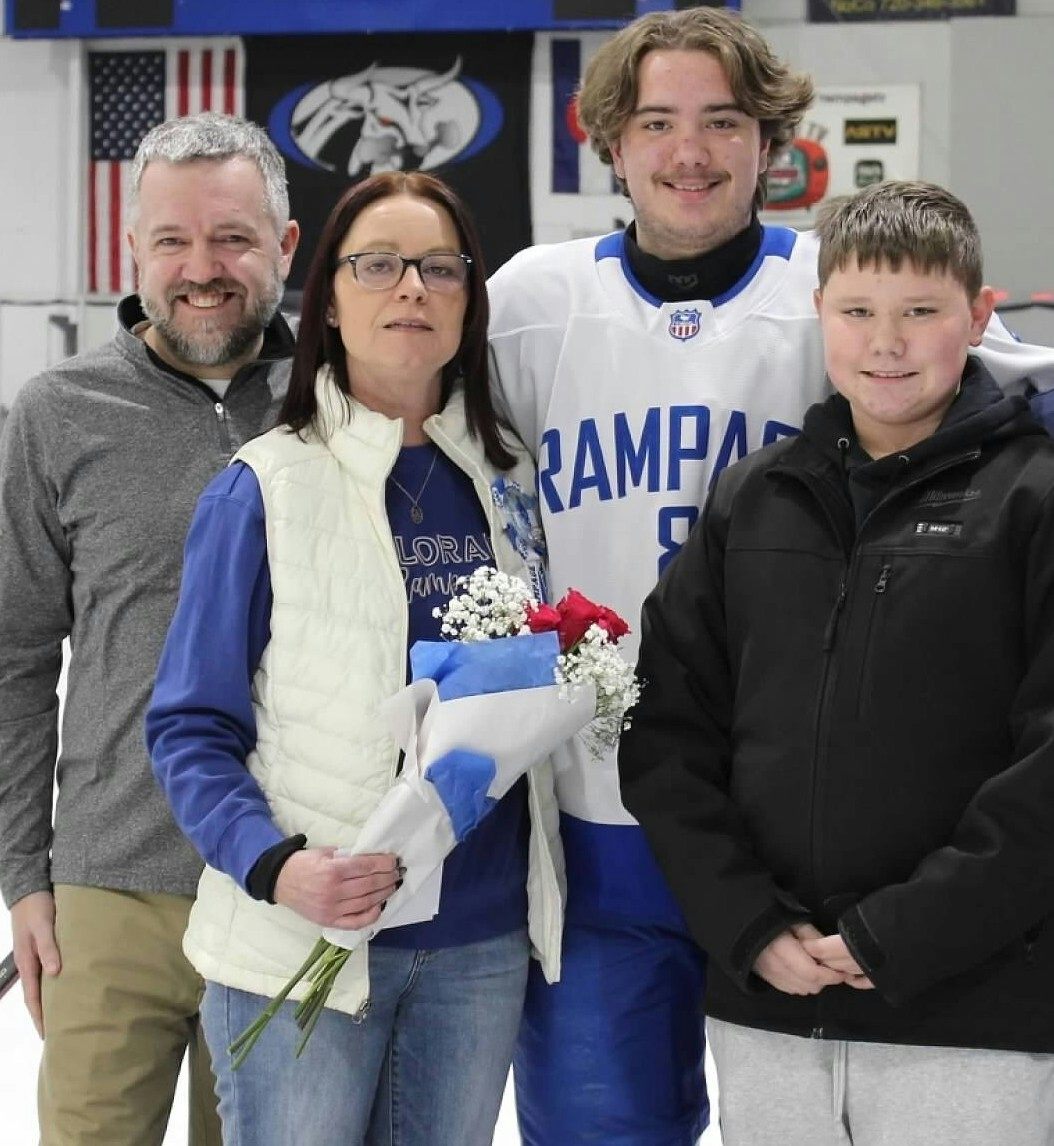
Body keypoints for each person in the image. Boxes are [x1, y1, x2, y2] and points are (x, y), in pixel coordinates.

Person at [487, 9, 1054, 1144]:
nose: (688, 150)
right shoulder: (528, 303)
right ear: (609, 138)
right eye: (657, 122)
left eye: (721, 121)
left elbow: (978, 376)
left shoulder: (830, 283)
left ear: (768, 140)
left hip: (800, 827)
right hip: (603, 806)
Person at [618, 179, 1054, 1145]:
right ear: (820, 314)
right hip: (771, 1004)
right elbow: (666, 732)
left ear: (980, 315)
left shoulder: (1034, 498)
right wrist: (747, 925)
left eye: (921, 313)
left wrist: (901, 935)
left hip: (973, 1013)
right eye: (857, 311)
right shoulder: (752, 500)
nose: (886, 342)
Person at [145, 171, 564, 1146]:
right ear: (328, 297)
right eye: (378, 266)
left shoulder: (509, 482)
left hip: (479, 947)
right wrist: (277, 868)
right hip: (304, 948)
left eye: (439, 268)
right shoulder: (265, 488)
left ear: (470, 299)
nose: (410, 289)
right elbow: (189, 729)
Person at [0, 111, 299, 1145]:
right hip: (109, 885)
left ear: (286, 246)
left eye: (232, 238)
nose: (200, 268)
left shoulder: (338, 402)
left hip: (286, 877)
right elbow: (17, 659)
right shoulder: (56, 413)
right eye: (171, 240)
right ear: (132, 250)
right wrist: (24, 878)